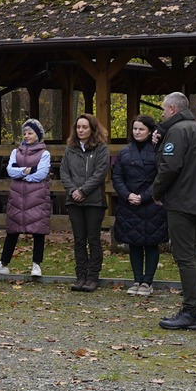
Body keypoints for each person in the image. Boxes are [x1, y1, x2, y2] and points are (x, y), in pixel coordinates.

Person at [155, 93, 196, 330]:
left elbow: (169, 166)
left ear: (173, 109)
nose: (162, 114)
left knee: (184, 256)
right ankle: (192, 308)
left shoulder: (177, 131)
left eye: (164, 109)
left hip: (181, 200)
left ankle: (191, 311)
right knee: (193, 255)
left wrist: (156, 191)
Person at [112, 116, 166, 295]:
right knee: (133, 242)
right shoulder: (125, 152)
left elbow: (160, 177)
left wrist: (144, 196)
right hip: (129, 203)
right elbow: (117, 177)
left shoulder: (158, 151)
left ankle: (147, 282)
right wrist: (127, 195)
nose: (137, 132)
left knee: (151, 243)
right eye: (135, 129)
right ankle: (136, 280)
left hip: (151, 203)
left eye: (141, 129)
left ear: (150, 131)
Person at [0, 119, 51, 278]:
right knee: (13, 229)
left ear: (38, 135)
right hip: (17, 196)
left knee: (38, 230)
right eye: (24, 133)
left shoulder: (44, 153)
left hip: (37, 196)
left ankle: (36, 264)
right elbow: (10, 171)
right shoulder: (15, 152)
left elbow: (41, 173)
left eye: (30, 133)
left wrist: (23, 175)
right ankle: (3, 263)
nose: (26, 136)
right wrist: (29, 170)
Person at [61, 116, 110, 292]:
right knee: (79, 239)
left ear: (92, 129)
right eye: (78, 127)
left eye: (84, 127)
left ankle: (92, 276)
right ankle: (80, 275)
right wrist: (73, 191)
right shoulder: (70, 149)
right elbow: (64, 172)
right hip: (73, 201)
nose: (81, 130)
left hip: (94, 201)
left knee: (93, 239)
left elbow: (100, 173)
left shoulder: (101, 149)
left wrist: (83, 191)